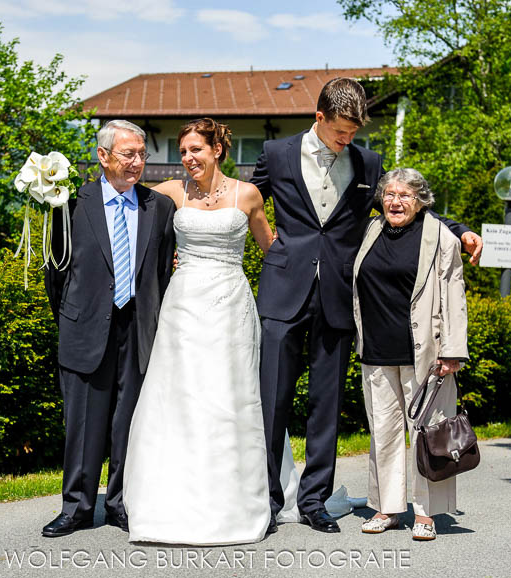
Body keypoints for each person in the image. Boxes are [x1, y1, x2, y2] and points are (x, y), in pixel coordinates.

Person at [250, 77, 482, 533]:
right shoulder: (276, 154)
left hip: (339, 295)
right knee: (271, 399)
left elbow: (409, 201)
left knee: (326, 402)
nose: (347, 140)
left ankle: (314, 500)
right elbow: (245, 201)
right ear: (319, 117)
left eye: (354, 133)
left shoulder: (367, 162)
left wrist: (459, 229)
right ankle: (265, 499)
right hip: (282, 290)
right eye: (340, 132)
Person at [123, 118, 276, 545]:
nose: (188, 158)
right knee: (181, 395)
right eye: (183, 151)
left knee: (228, 396)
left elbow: (273, 250)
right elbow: (129, 220)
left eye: (197, 150)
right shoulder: (170, 192)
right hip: (183, 305)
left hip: (231, 306)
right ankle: (169, 498)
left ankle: (234, 501)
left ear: (217, 151)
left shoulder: (247, 195)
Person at [40, 120, 177, 537]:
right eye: (128, 154)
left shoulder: (160, 208)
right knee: (82, 424)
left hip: (138, 330)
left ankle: (121, 503)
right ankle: (77, 507)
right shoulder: (69, 204)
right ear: (103, 156)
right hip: (86, 327)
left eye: (141, 155)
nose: (137, 163)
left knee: (128, 424)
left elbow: (161, 274)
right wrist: (74, 316)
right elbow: (56, 273)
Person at [352, 168, 468, 541]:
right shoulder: (371, 231)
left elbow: (454, 296)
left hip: (427, 352)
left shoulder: (440, 237)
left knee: (427, 434)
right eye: (389, 194)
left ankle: (426, 513)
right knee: (383, 433)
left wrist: (452, 351)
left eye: (404, 195)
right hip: (376, 348)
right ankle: (386, 508)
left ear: (420, 201)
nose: (395, 202)